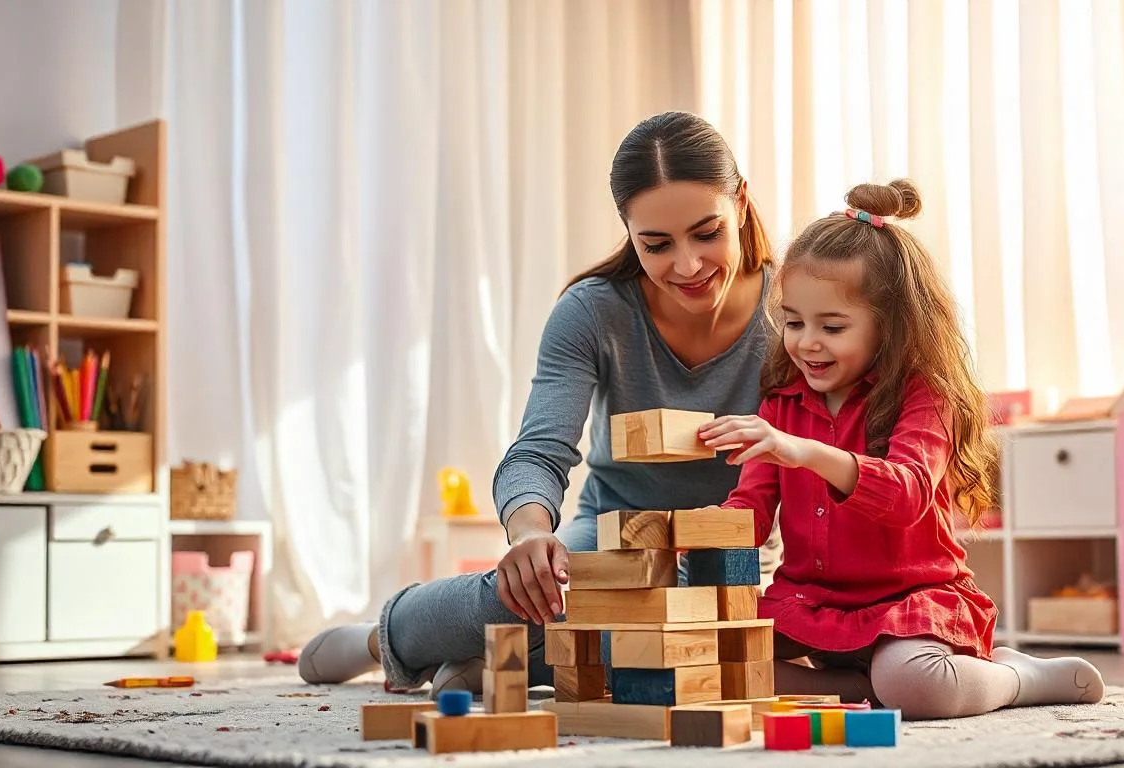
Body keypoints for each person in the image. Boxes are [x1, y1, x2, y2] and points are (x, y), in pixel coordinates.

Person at [296, 111, 778, 692]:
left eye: (708, 233)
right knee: (524, 595)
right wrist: (529, 535)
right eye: (656, 244)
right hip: (611, 535)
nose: (688, 264)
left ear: (742, 204)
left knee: (704, 642)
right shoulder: (593, 311)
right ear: (628, 233)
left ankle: (503, 663)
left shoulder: (795, 315)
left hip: (742, 556)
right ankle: (385, 638)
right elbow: (540, 452)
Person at [697, 178, 1105, 719]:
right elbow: (749, 513)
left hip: (911, 606)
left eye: (832, 326)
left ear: (889, 327)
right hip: (811, 606)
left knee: (917, 686)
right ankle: (856, 686)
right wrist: (694, 533)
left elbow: (907, 493)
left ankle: (1016, 676)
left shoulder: (926, 395)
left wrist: (802, 452)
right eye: (793, 322)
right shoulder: (782, 405)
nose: (806, 342)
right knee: (711, 660)